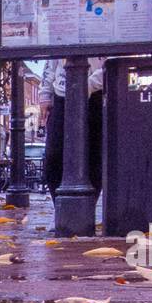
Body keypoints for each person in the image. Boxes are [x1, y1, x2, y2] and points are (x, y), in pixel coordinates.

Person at [40, 57, 105, 201]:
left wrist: (88, 84)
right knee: (53, 156)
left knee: (94, 156)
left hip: (94, 95)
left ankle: (88, 207)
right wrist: (45, 94)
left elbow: (111, 62)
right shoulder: (59, 34)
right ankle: (60, 207)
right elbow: (52, 60)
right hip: (61, 95)